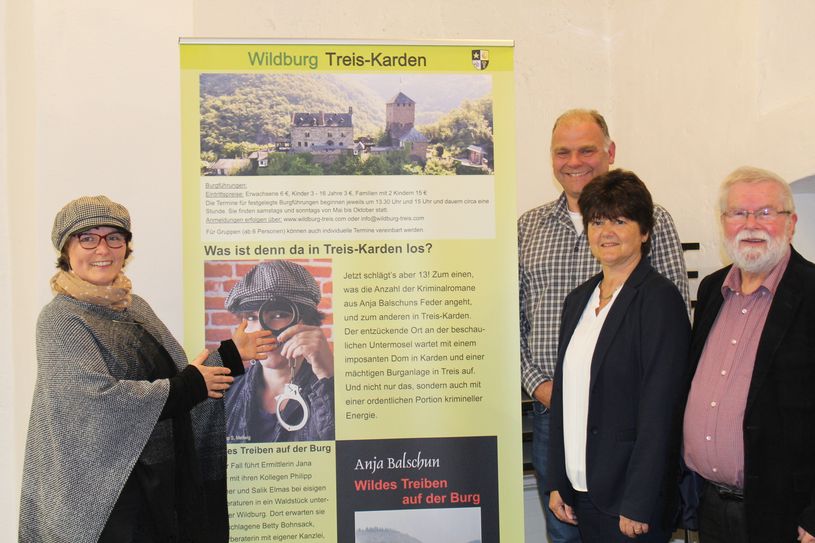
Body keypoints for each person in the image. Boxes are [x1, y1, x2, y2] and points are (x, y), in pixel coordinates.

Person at [18, 195, 273, 543]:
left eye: (114, 237)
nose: (102, 249)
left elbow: (182, 382)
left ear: (126, 247)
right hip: (107, 499)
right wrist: (189, 385)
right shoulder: (61, 318)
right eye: (87, 238)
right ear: (66, 250)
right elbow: (95, 403)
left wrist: (230, 355)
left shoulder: (135, 307)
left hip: (158, 487)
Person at [518, 108, 689, 542]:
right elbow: (516, 324)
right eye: (563, 152)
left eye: (620, 221)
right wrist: (540, 386)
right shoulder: (573, 289)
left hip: (628, 443)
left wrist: (641, 498)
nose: (606, 231)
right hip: (560, 429)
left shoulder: (657, 284)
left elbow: (663, 390)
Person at [682, 167, 815, 543]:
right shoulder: (712, 290)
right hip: (710, 506)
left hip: (786, 515)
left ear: (791, 223)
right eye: (738, 213)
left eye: (766, 212)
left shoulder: (811, 293)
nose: (751, 224)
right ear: (723, 222)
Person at [223, 260, 335, 443]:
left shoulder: (341, 391)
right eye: (251, 317)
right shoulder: (226, 392)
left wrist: (328, 380)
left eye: (278, 315)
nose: (261, 331)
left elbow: (349, 453)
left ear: (307, 321)